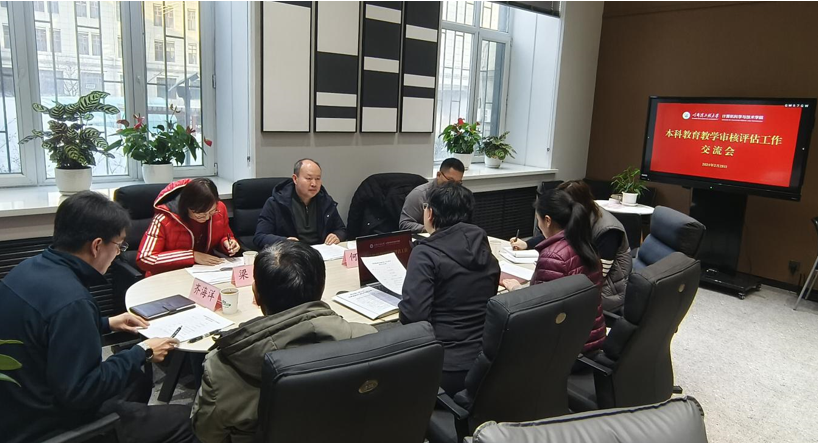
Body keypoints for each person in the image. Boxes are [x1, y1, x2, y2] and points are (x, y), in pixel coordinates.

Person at [0, 191, 195, 443]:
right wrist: (143, 351)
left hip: (17, 404)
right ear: (96, 246)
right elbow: (80, 392)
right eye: (119, 246)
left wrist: (106, 323)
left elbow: (45, 330)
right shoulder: (73, 301)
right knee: (188, 420)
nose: (118, 254)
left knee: (137, 376)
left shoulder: (26, 269)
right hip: (46, 424)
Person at [191, 241, 376, 443]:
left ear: (256, 295)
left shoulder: (222, 368)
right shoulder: (369, 340)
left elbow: (207, 434)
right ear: (322, 289)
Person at [398, 182, 500, 396]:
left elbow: (413, 317)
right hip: (487, 362)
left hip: (443, 368)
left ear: (430, 213)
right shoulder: (482, 244)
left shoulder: (425, 254)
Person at [502, 189, 606, 354]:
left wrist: (516, 290)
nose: (539, 226)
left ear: (548, 220)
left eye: (538, 220)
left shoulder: (554, 256)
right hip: (592, 336)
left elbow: (540, 311)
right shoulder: (584, 243)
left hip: (567, 348)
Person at [511, 180, 632, 311]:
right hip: (584, 296)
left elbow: (595, 277)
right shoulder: (578, 218)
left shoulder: (607, 230)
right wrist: (527, 243)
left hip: (605, 295)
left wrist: (519, 289)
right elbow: (556, 232)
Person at [137, 178, 239, 276]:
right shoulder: (163, 219)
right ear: (186, 206)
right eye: (200, 214)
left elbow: (225, 234)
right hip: (169, 275)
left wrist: (227, 243)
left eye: (212, 212)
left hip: (204, 272)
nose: (207, 217)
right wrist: (192, 256)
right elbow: (145, 258)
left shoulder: (220, 209)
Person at [253, 158, 347, 248]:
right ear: (295, 179)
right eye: (309, 178)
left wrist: (337, 235)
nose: (314, 184)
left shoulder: (325, 201)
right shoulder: (276, 203)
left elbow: (341, 229)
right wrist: (284, 241)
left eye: (318, 179)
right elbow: (260, 237)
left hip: (320, 253)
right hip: (291, 254)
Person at [399, 157, 465, 233]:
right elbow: (405, 224)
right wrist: (431, 229)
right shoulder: (419, 194)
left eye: (458, 183)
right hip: (426, 237)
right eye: (450, 181)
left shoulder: (459, 195)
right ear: (439, 175)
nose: (454, 186)